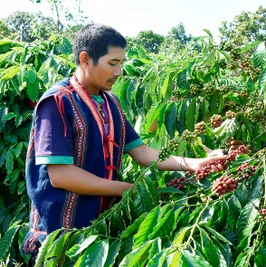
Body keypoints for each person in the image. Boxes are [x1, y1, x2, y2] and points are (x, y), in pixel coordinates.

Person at [21, 23, 232, 261]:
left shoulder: (111, 103)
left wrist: (195, 163)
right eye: (113, 63)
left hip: (101, 229)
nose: (119, 72)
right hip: (60, 235)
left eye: (121, 63)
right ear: (85, 59)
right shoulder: (57, 103)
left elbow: (141, 152)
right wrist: (128, 190)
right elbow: (61, 175)